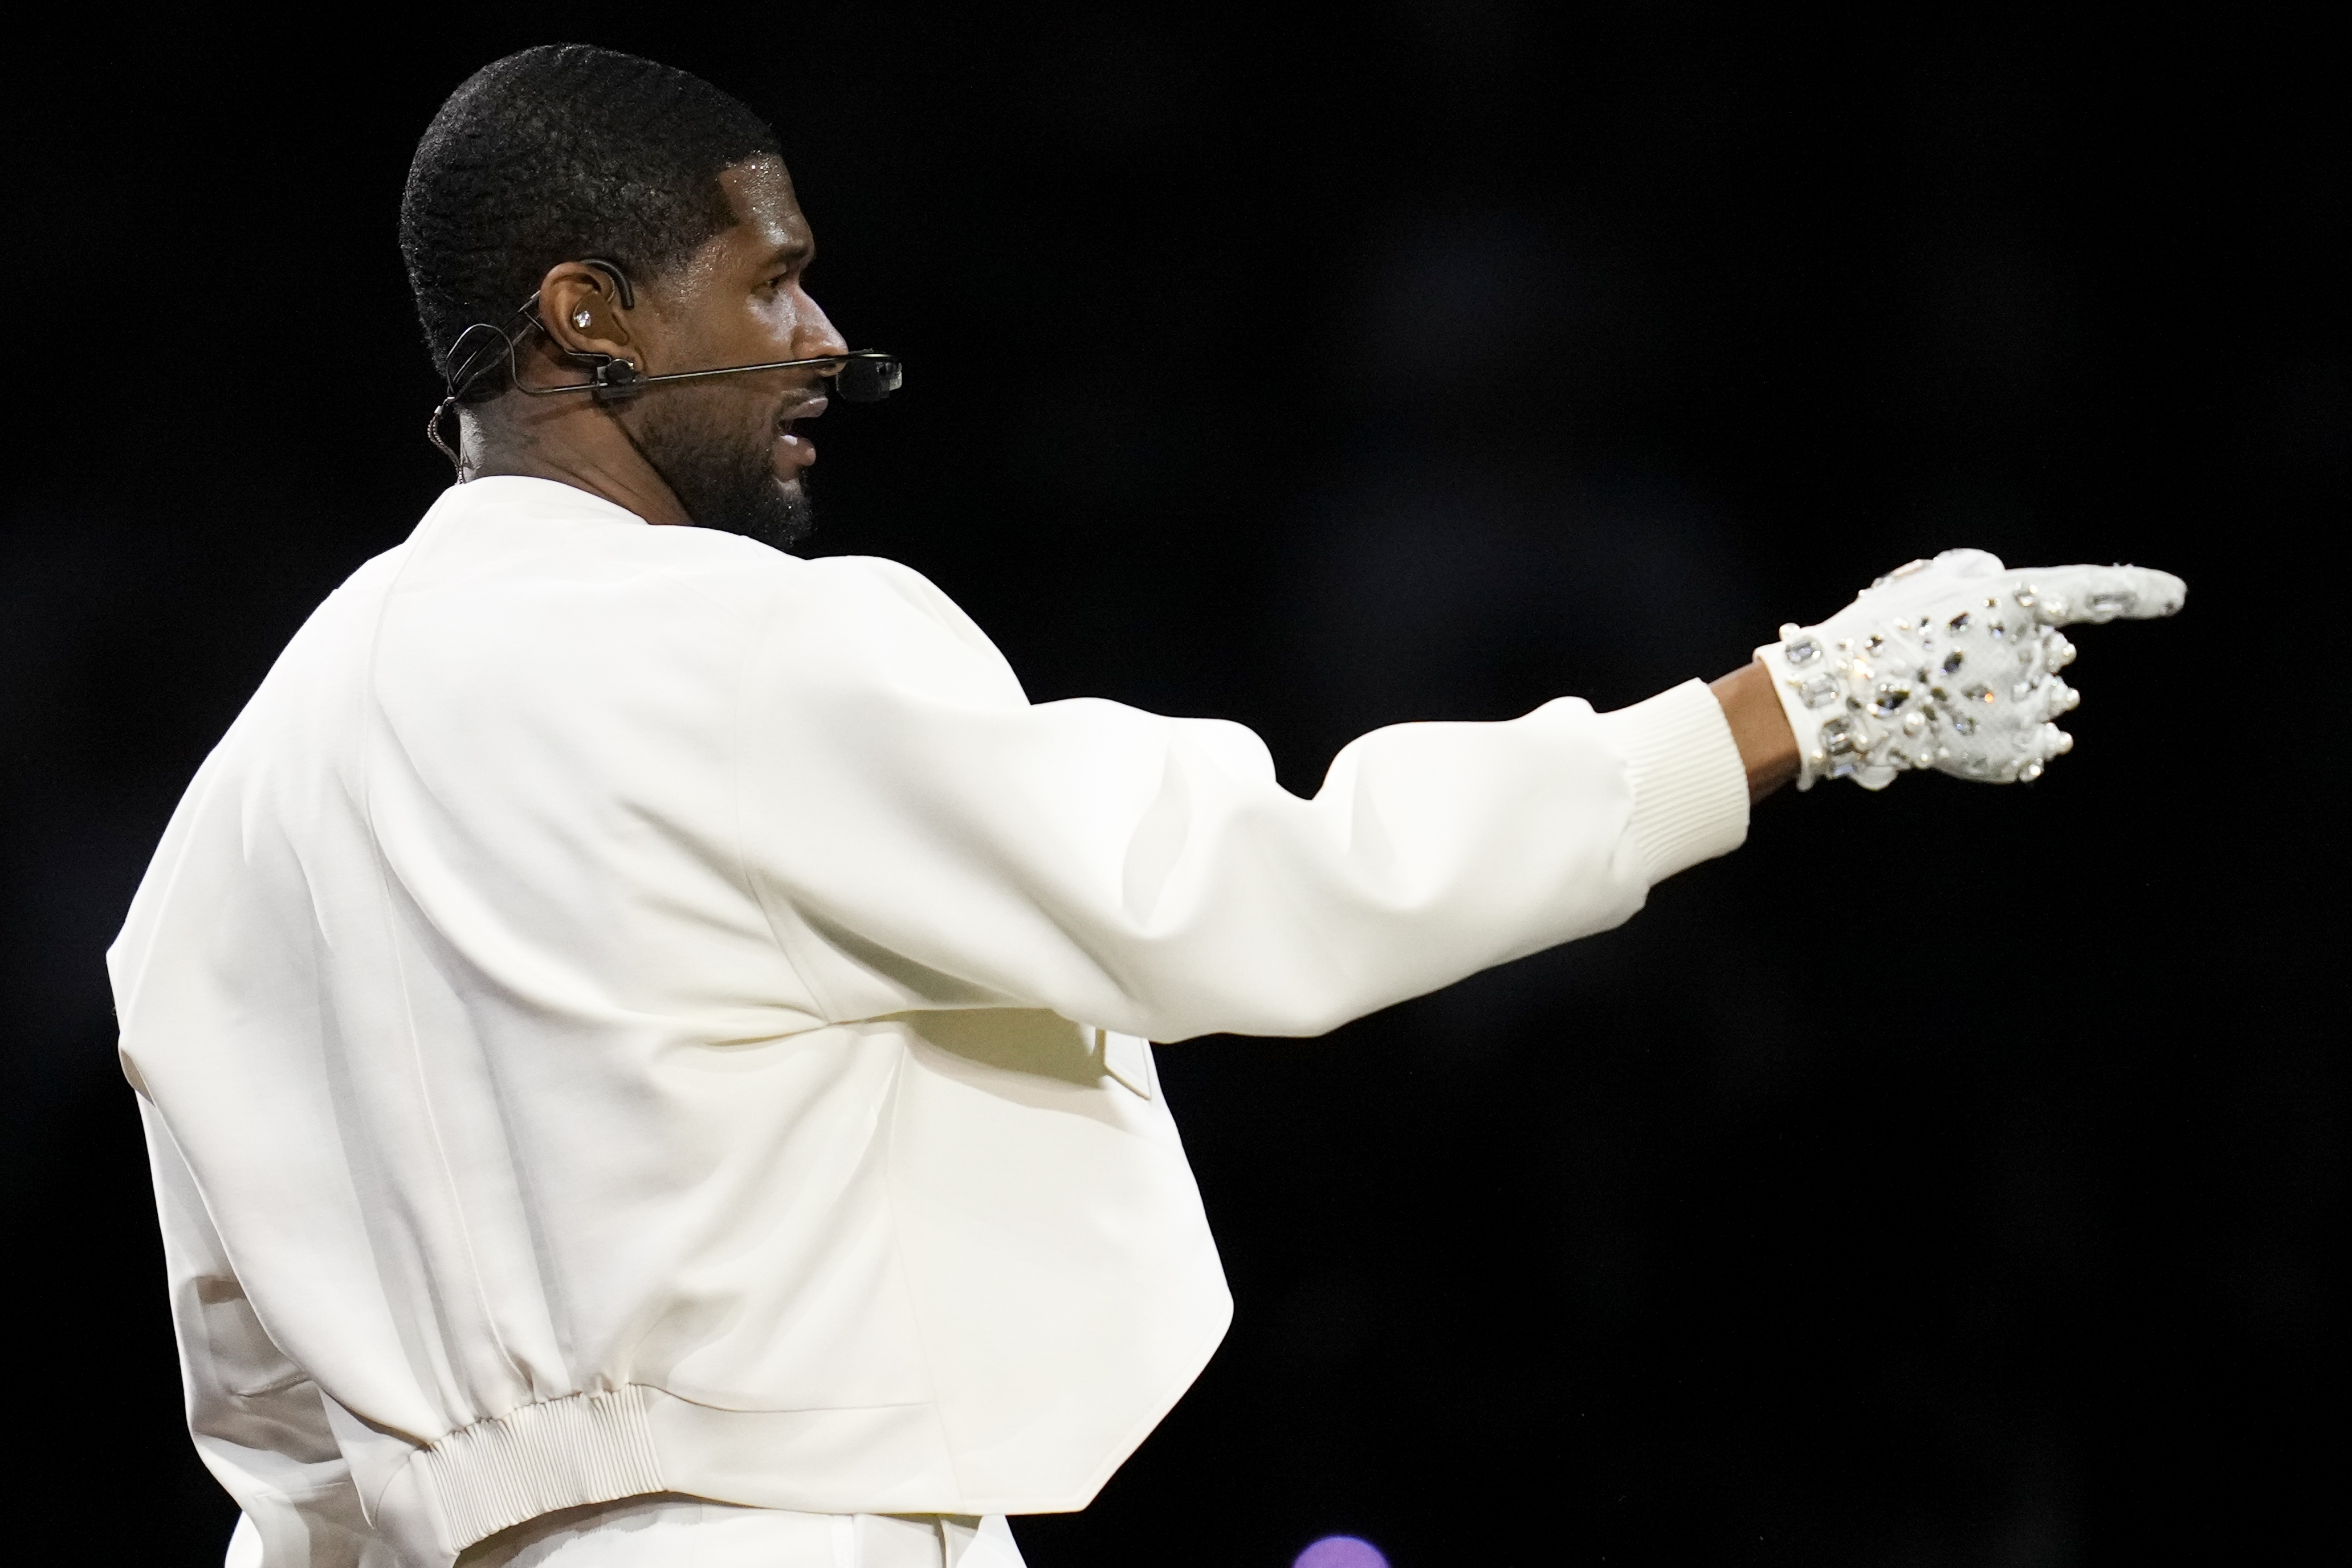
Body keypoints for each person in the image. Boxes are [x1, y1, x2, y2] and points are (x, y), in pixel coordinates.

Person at [108, 43, 2184, 1568]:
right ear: (589, 315)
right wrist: (1783, 708)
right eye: (773, 283)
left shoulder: (235, 809)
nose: (827, 342)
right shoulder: (740, 645)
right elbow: (1255, 897)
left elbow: (262, 1416)